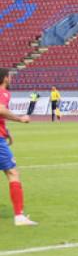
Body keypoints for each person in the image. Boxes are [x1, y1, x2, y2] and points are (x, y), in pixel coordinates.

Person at [0, 68, 37, 226]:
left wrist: (6, 131)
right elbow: (0, 110)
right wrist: (20, 119)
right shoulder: (4, 92)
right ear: (5, 78)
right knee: (12, 172)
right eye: (10, 76)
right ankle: (19, 216)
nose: (11, 79)